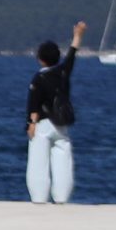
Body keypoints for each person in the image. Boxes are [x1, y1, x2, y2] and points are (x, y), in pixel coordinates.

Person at [27, 21, 88, 203]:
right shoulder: (63, 72)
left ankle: (39, 197)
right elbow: (71, 55)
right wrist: (78, 36)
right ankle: (62, 197)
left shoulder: (39, 78)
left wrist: (31, 124)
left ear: (40, 58)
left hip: (43, 125)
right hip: (61, 123)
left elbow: (34, 104)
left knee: (38, 162)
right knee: (63, 161)